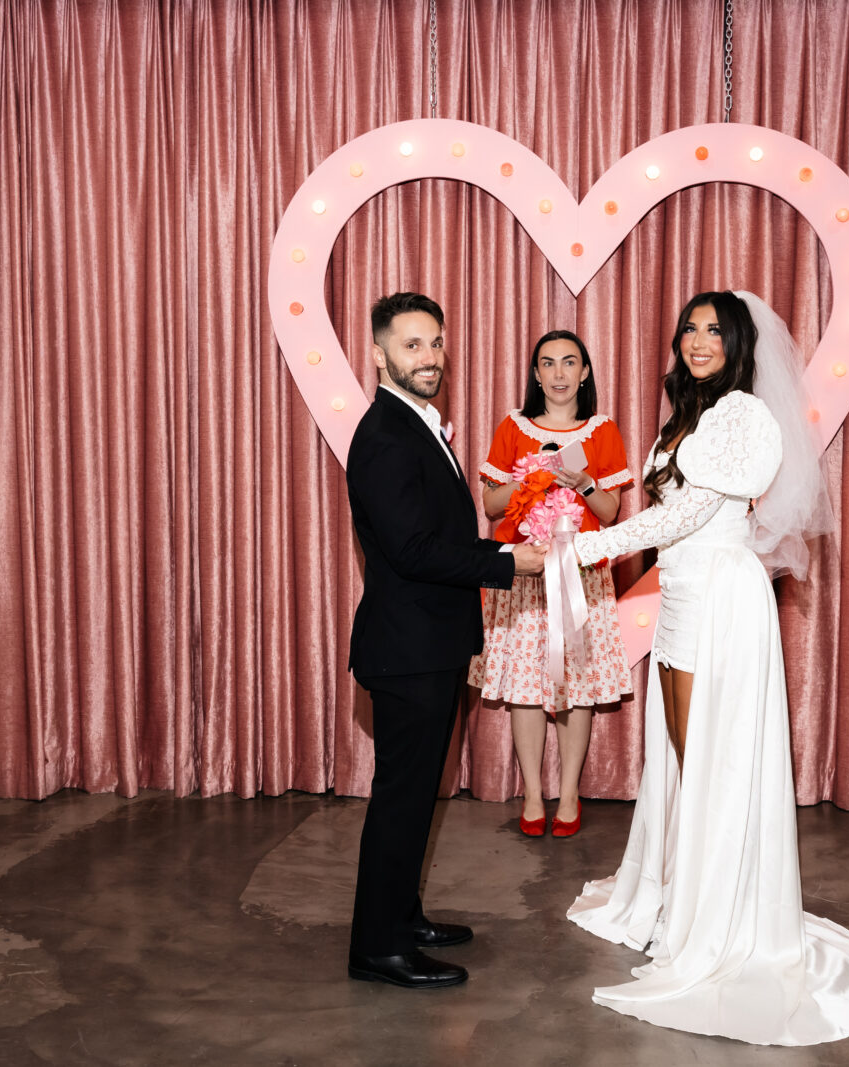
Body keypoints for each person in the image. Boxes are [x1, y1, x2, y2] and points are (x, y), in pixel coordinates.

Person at [565, 291, 849, 1044]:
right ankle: (685, 891)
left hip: (722, 598)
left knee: (716, 760)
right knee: (684, 760)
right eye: (690, 326)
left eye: (714, 330)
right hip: (679, 596)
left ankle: (721, 916)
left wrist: (575, 550)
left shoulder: (744, 415)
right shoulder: (687, 415)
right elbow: (660, 505)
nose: (697, 339)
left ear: (740, 344)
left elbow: (684, 514)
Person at [345, 292, 547, 990]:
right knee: (402, 798)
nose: (428, 357)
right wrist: (506, 562)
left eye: (435, 342)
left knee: (415, 796)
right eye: (411, 345)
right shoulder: (383, 436)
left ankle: (402, 916)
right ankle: (377, 947)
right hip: (406, 651)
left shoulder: (415, 425)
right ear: (378, 354)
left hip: (427, 642)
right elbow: (412, 550)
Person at [469, 330, 634, 837]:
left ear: (584, 373)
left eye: (570, 363)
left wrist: (582, 483)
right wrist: (532, 477)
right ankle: (534, 796)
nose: (559, 374)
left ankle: (569, 797)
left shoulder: (602, 431)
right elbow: (491, 506)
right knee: (524, 687)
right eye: (548, 363)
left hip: (579, 576)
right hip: (521, 574)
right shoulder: (513, 428)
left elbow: (610, 513)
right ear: (535, 374)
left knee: (574, 686)